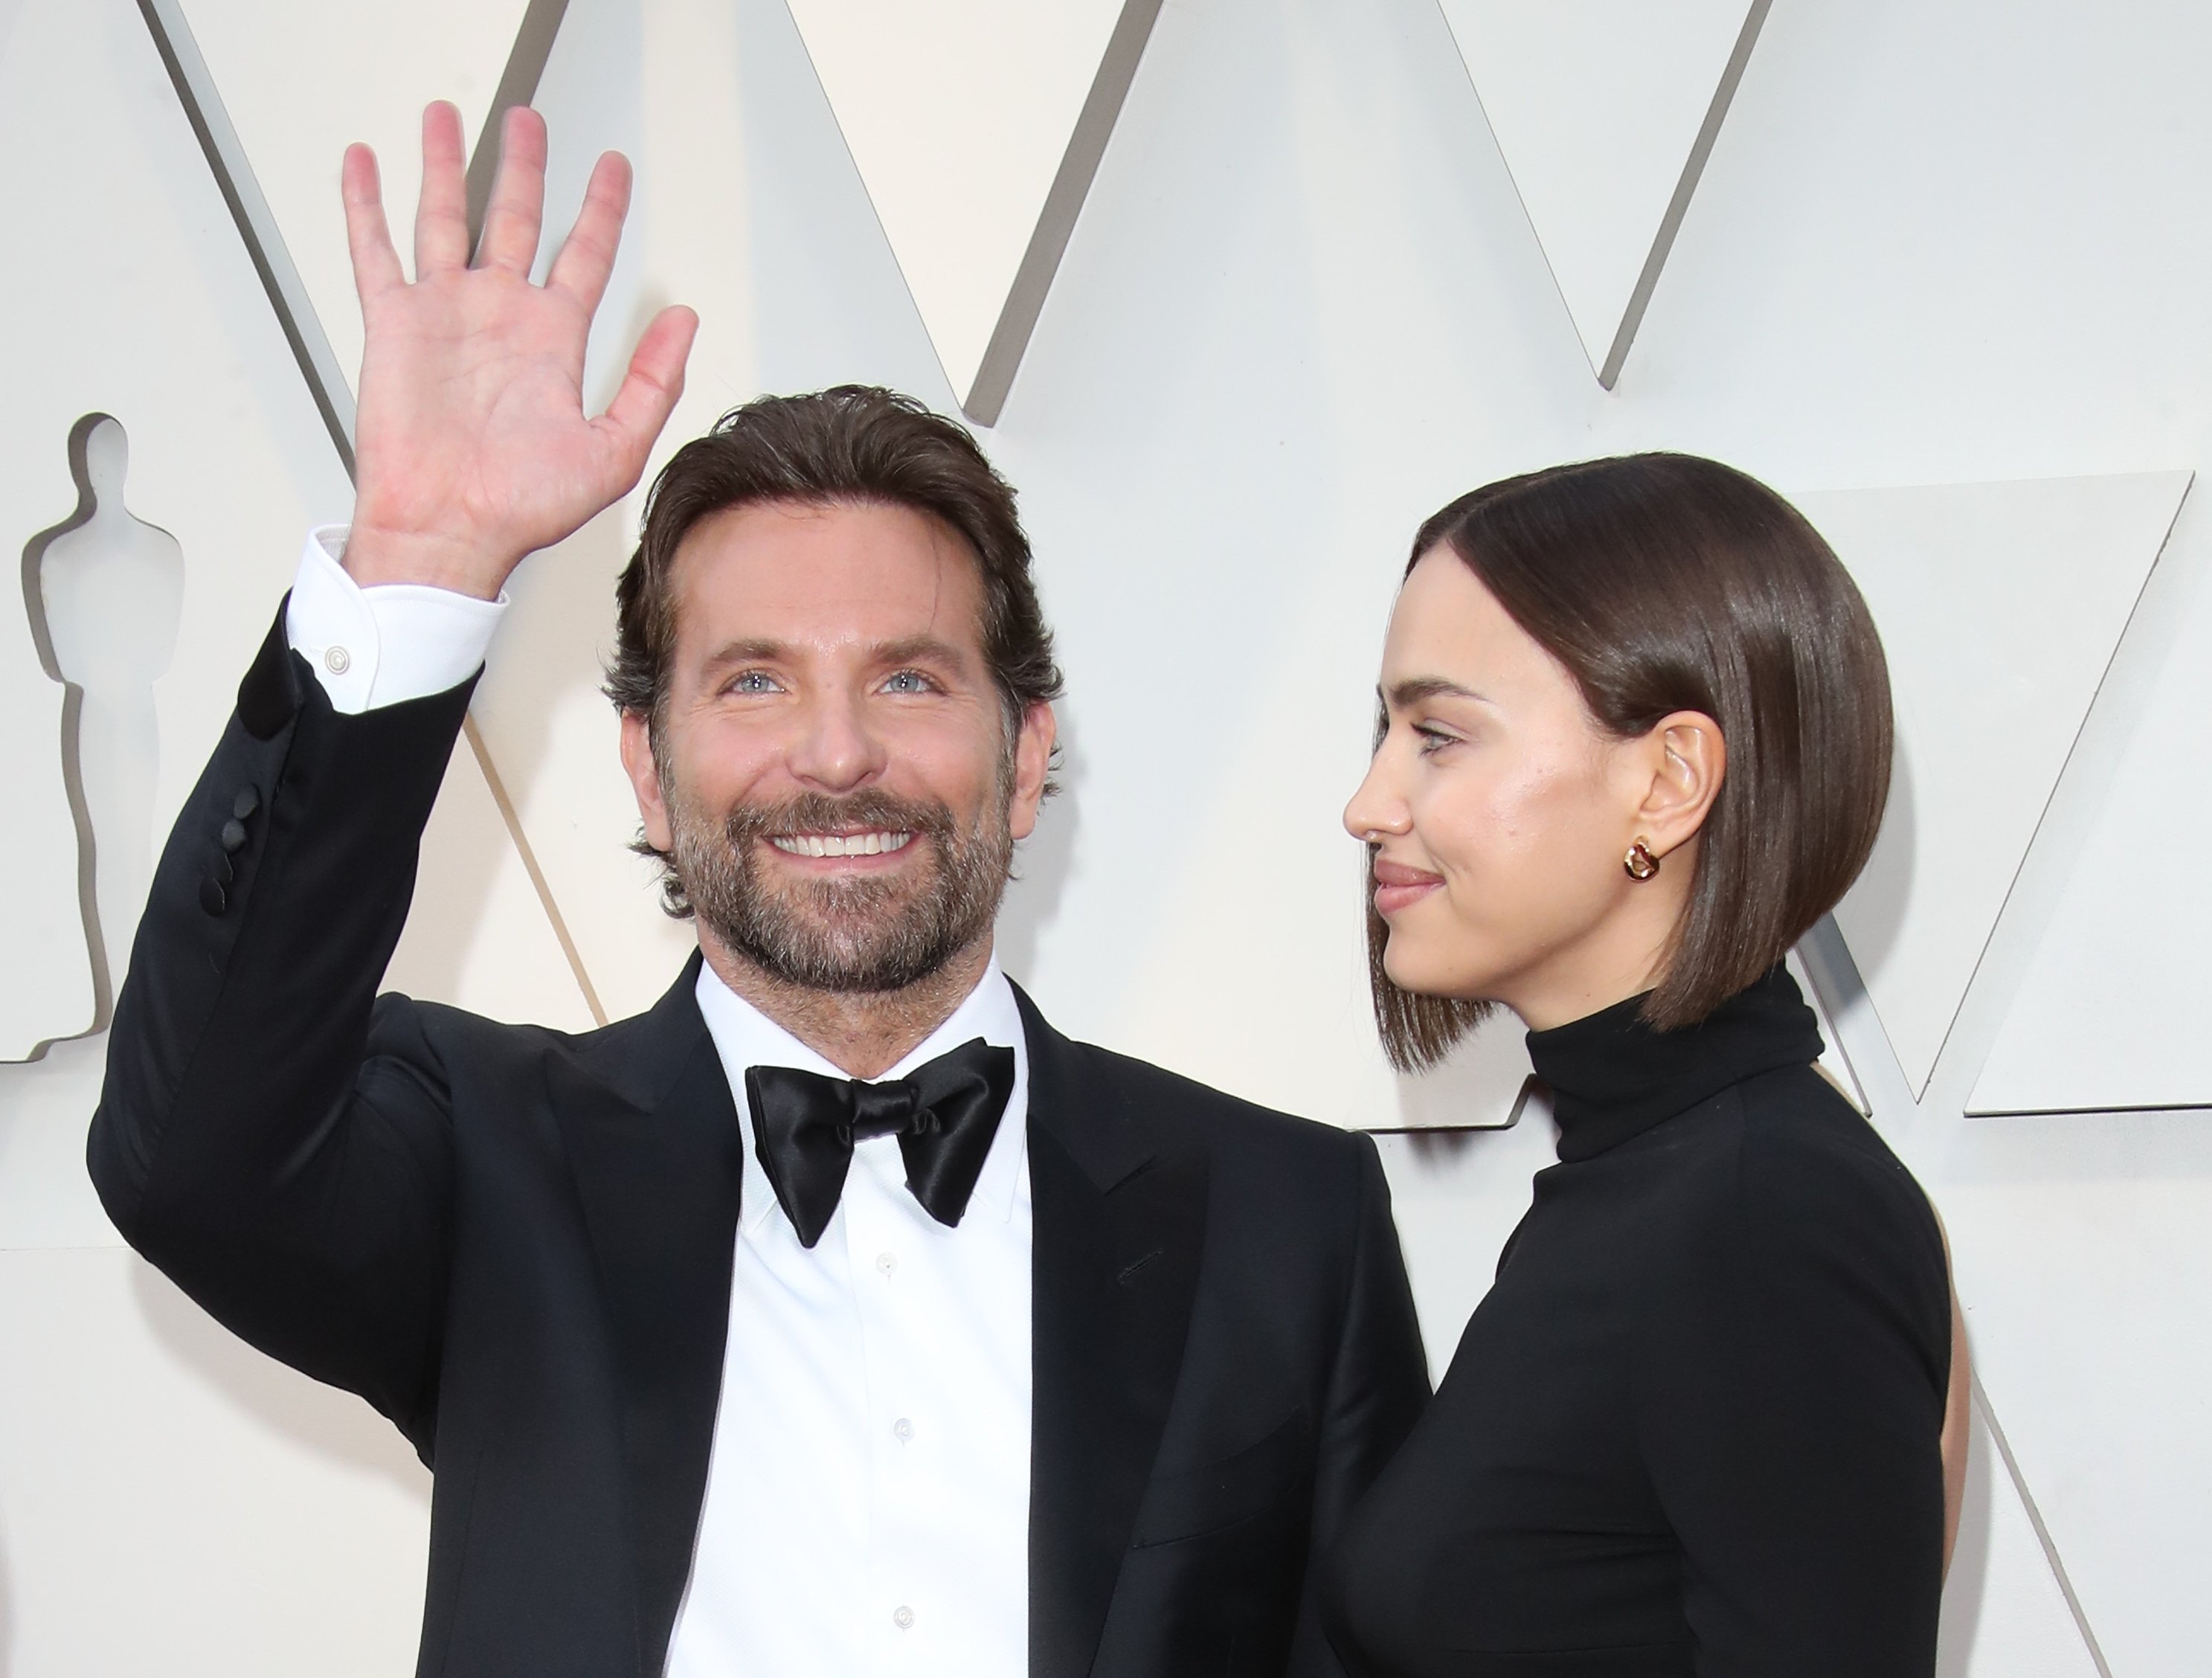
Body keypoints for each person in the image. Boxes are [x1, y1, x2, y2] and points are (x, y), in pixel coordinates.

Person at [87, 103, 1428, 1678]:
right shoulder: (485, 1161)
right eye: (754, 685)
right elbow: (192, 1151)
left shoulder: (1287, 1219)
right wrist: (416, 567)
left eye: (914, 682)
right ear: (649, 770)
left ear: (1029, 751)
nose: (838, 755)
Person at [1319, 456, 1971, 1677]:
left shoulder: (1768, 1211)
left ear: (1668, 782)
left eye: (1439, 735)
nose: (1369, 803)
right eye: (1385, 731)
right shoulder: (1655, 1185)